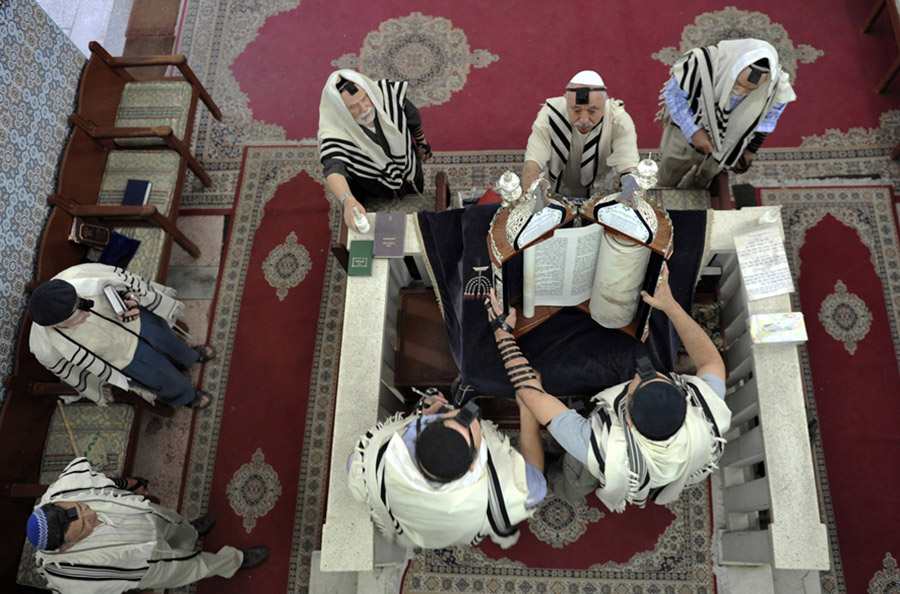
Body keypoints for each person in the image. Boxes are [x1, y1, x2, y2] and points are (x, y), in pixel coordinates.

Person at [485, 264, 731, 511]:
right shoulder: (706, 410)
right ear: (686, 402)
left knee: (575, 478)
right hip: (682, 463)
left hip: (609, 466)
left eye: (639, 382)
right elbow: (711, 362)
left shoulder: (601, 447)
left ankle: (560, 483)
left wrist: (503, 336)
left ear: (630, 421)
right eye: (656, 377)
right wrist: (669, 305)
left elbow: (534, 397)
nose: (643, 372)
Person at [25, 458, 268, 593]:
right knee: (194, 566)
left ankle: (191, 533)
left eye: (82, 507)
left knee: (175, 524)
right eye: (86, 525)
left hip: (143, 516)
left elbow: (105, 481)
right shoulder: (75, 579)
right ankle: (233, 562)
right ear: (66, 548)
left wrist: (133, 484)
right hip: (145, 564)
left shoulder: (63, 491)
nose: (92, 514)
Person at [347, 387, 546, 549]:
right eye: (472, 427)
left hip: (414, 526)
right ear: (473, 465)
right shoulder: (505, 490)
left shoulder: (375, 464)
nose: (469, 417)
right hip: (467, 526)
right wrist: (528, 408)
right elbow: (537, 477)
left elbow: (353, 462)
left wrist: (417, 414)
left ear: (423, 430)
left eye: (457, 418)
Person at [28, 263, 215, 409]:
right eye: (78, 318)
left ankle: (190, 356)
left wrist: (131, 301)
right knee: (162, 379)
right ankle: (186, 396)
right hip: (125, 359)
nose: (87, 314)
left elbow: (123, 283)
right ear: (55, 325)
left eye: (84, 305)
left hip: (139, 323)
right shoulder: (45, 348)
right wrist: (99, 388)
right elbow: (74, 373)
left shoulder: (77, 276)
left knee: (170, 342)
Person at [656, 38, 797, 188]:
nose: (740, 91)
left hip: (727, 145)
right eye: (738, 83)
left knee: (703, 181)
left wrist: (750, 151)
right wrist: (694, 132)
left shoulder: (776, 86)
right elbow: (674, 96)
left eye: (750, 90)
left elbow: (767, 121)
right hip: (687, 134)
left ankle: (694, 199)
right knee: (670, 172)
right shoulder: (701, 62)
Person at [318, 69, 432, 232]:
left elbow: (412, 118)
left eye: (365, 98)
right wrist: (347, 199)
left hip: (410, 168)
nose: (364, 109)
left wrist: (422, 143)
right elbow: (333, 169)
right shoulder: (334, 131)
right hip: (376, 184)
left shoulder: (388, 94)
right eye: (353, 107)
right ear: (341, 110)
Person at [521, 70, 639, 198]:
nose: (584, 120)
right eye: (576, 110)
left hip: (602, 197)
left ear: (604, 104)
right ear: (566, 102)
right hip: (554, 196)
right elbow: (532, 164)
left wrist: (628, 204)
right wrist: (530, 205)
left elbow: (629, 171)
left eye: (592, 111)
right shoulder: (550, 116)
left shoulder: (619, 120)